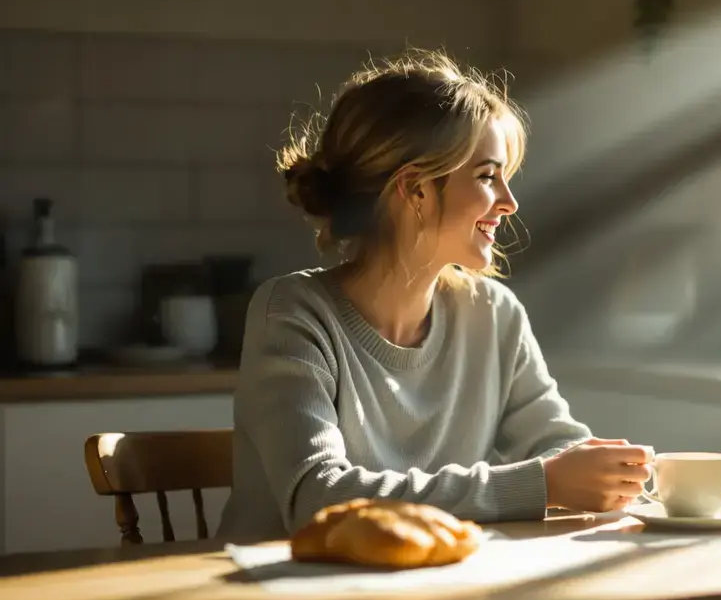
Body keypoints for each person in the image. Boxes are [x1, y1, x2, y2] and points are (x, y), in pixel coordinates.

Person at [217, 50, 653, 543]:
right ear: (416, 189)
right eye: (488, 176)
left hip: (426, 591)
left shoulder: (494, 315)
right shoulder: (294, 313)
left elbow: (556, 443)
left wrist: (613, 473)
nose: (509, 202)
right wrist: (544, 484)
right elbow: (318, 499)